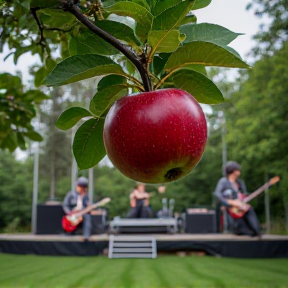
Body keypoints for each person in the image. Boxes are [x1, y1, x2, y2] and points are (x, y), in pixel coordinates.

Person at [213, 161, 261, 237]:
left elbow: (244, 195)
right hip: (230, 208)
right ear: (231, 171)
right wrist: (230, 202)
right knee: (240, 227)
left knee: (249, 209)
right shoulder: (223, 181)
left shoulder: (240, 182)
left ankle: (257, 230)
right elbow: (217, 194)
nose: (239, 171)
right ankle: (243, 230)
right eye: (237, 169)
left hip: (241, 206)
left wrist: (245, 202)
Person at [62, 176, 92, 241]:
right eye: (80, 186)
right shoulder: (71, 194)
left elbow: (88, 207)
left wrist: (89, 207)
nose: (82, 188)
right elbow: (65, 205)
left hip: (81, 214)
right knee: (70, 220)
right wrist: (69, 213)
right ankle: (69, 232)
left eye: (83, 187)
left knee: (87, 216)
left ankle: (86, 235)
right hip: (72, 214)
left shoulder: (86, 196)